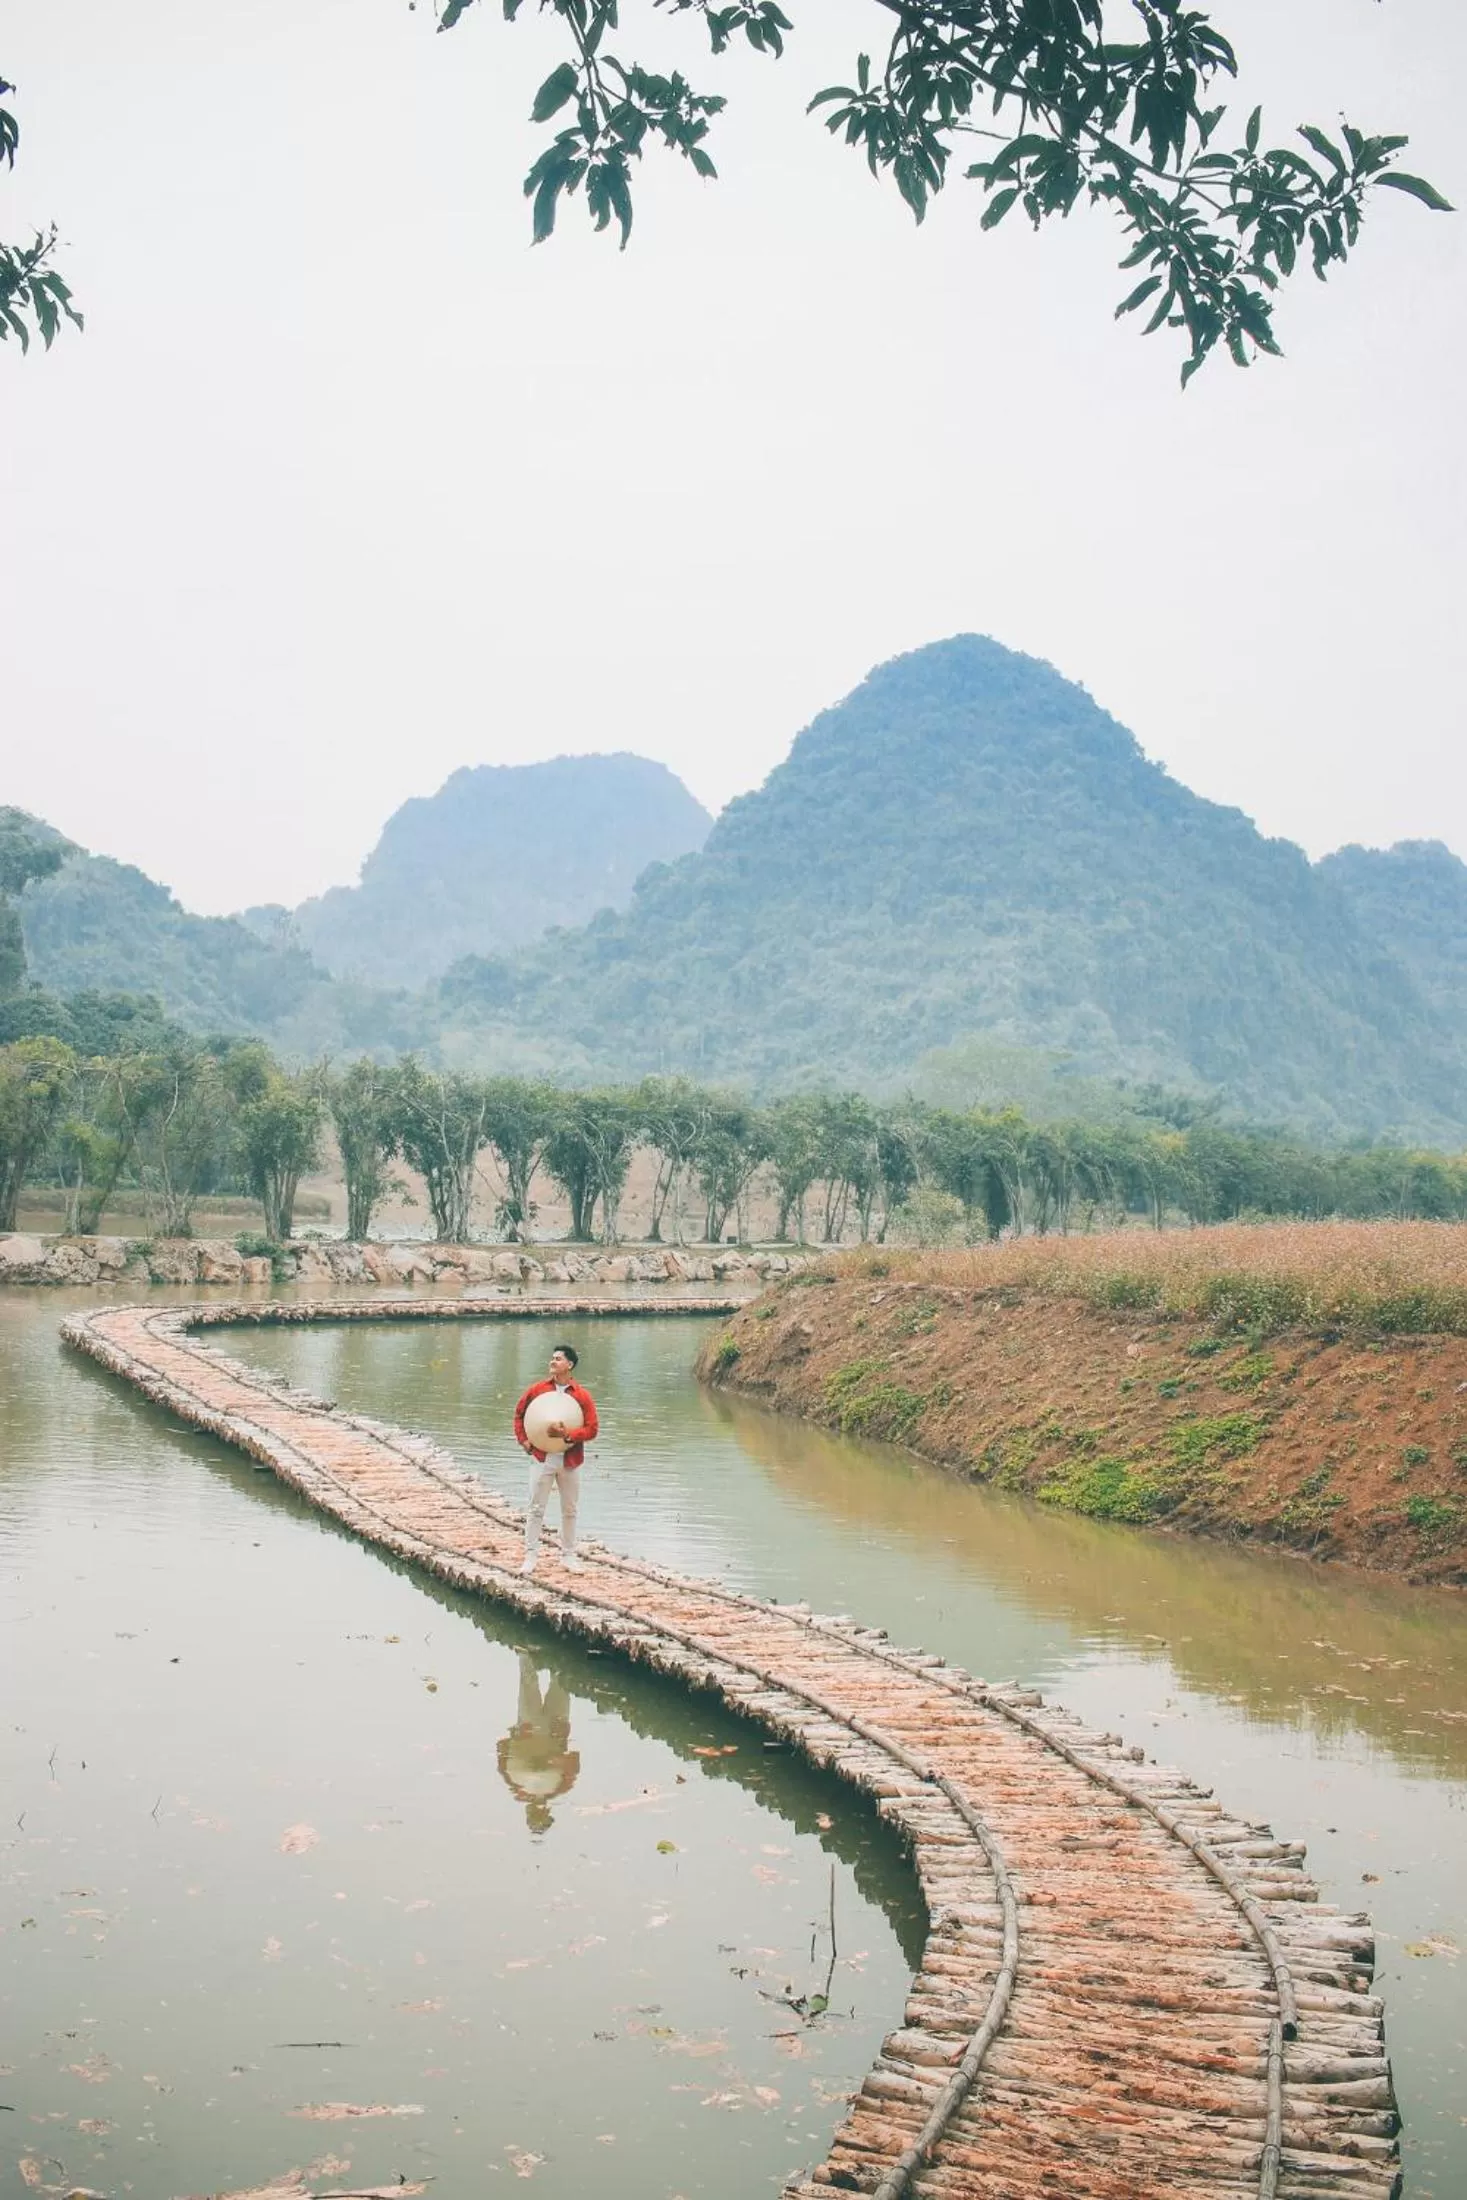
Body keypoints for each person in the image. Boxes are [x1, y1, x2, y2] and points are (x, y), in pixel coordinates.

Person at [513, 1341, 599, 1576]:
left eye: (558, 1358)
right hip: (542, 1457)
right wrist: (525, 1442)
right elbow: (519, 1414)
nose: (553, 1361)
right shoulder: (537, 1390)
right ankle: (530, 1556)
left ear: (569, 1365)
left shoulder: (582, 1396)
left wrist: (568, 1435)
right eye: (552, 1358)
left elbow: (592, 1429)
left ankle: (569, 1556)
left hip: (569, 1459)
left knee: (569, 1509)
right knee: (535, 1508)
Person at [495, 1650, 580, 1835]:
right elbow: (501, 1749)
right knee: (538, 1680)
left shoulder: (554, 1787)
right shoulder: (518, 1787)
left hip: (547, 1733)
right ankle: (534, 1651)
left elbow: (574, 1760)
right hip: (536, 1731)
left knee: (551, 1681)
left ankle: (539, 1651)